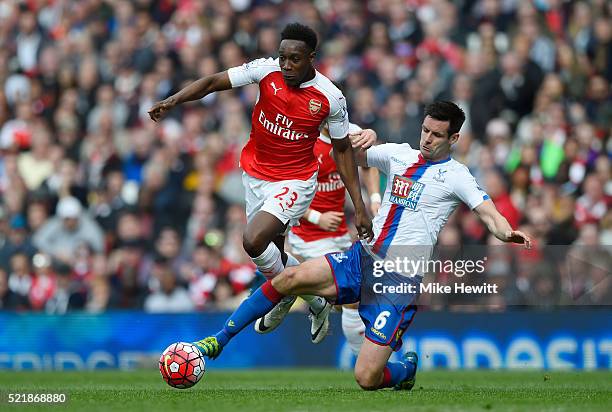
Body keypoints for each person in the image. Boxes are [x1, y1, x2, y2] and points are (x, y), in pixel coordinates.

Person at [191, 101, 532, 390]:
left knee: (366, 378)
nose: (427, 139)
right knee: (286, 280)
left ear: (454, 138)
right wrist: (361, 137)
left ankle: (405, 370)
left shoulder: (457, 175)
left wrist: (505, 231)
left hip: (397, 280)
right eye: (426, 130)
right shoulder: (398, 154)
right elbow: (348, 154)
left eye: (437, 135)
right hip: (362, 258)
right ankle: (218, 341)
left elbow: (488, 212)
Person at [149, 23, 373, 333]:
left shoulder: (330, 97)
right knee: (275, 257)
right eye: (282, 57)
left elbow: (344, 152)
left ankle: (283, 295)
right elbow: (214, 81)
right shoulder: (265, 71)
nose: (286, 65)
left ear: (311, 57)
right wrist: (174, 100)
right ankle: (308, 298)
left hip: (295, 181)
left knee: (252, 241)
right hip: (255, 175)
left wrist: (359, 206)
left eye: (294, 59)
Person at [256, 122, 379, 344]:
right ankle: (370, 369)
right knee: (350, 298)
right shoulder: (303, 142)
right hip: (307, 237)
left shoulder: (351, 133)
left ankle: (301, 298)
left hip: (339, 234)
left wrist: (374, 198)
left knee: (347, 300)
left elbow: (369, 164)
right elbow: (283, 194)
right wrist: (316, 217)